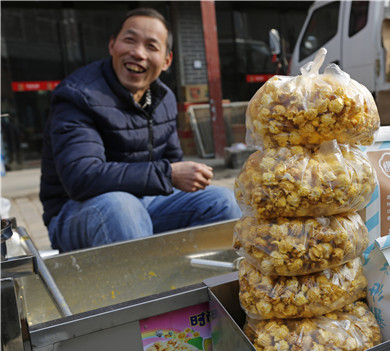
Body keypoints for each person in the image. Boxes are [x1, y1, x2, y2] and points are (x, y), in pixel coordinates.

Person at [39, 8, 241, 253]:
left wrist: (187, 176)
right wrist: (168, 174)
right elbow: (81, 178)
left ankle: (194, 282)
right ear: (112, 44)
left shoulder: (163, 99)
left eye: (151, 46)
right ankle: (149, 290)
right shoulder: (78, 95)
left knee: (223, 201)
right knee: (122, 208)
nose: (137, 53)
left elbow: (172, 164)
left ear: (167, 61)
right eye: (129, 40)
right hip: (75, 212)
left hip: (144, 203)